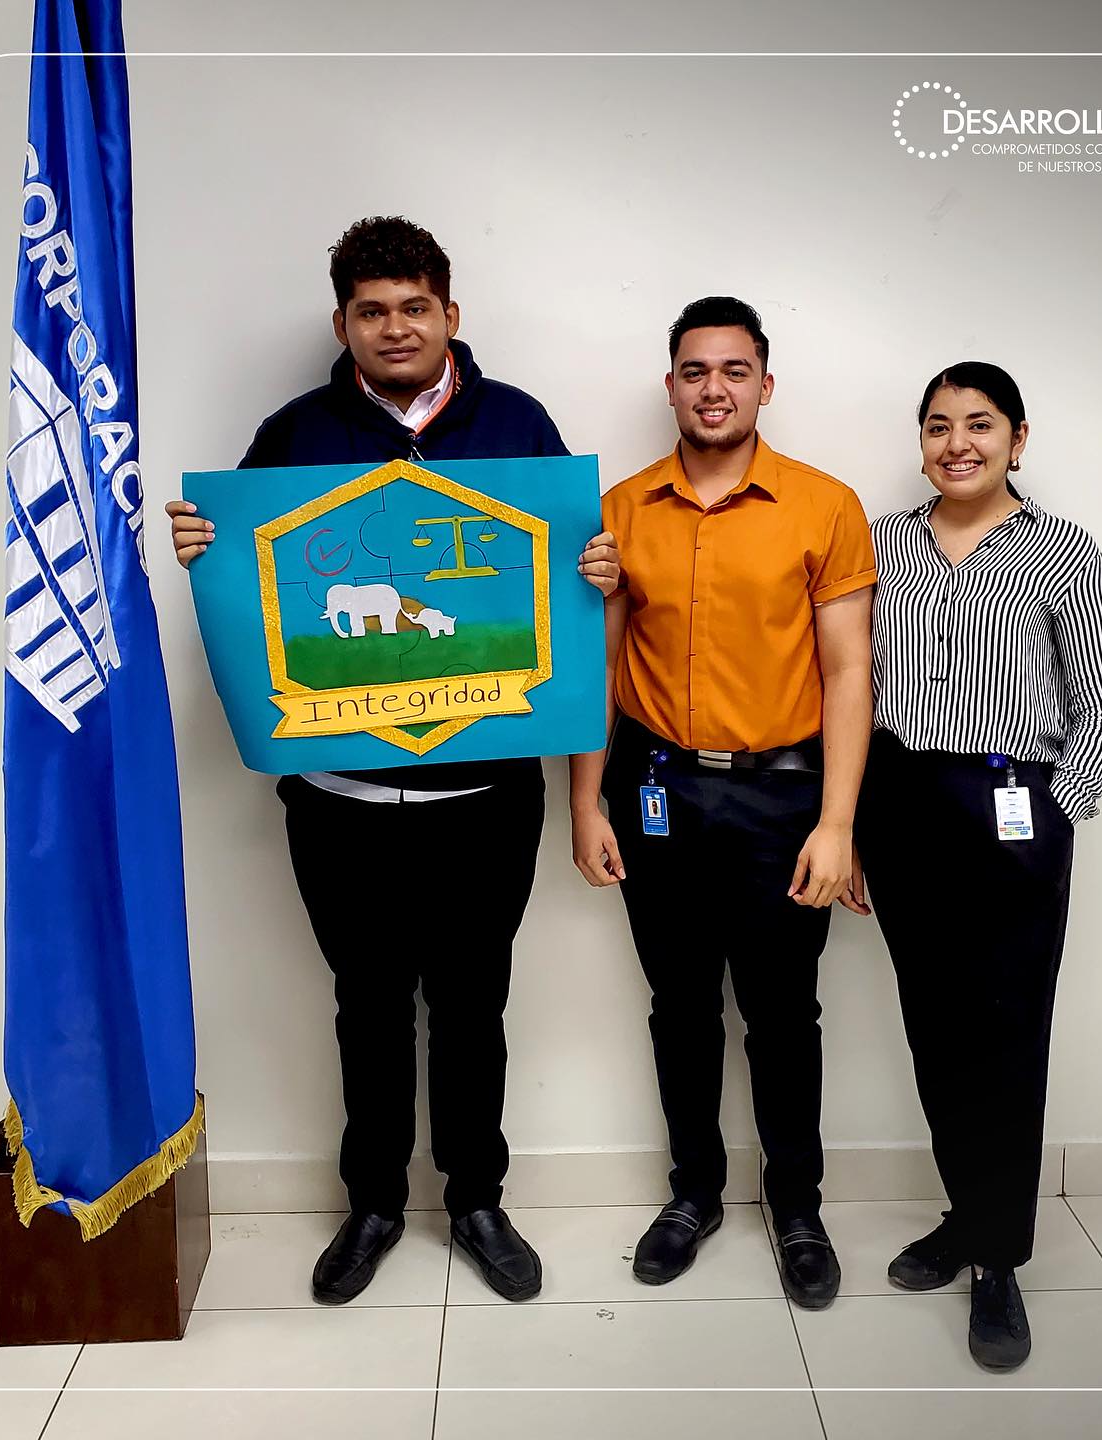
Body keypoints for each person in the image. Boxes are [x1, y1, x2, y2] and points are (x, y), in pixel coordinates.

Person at [166, 216, 618, 1304]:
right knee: (365, 1005)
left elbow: (563, 583)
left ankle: (476, 1200)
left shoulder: (518, 423)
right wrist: (203, 551)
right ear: (344, 325)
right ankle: (371, 1202)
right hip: (339, 800)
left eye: (415, 306)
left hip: (487, 795)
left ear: (450, 314)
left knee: (473, 1004)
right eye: (372, 311)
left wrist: (597, 569)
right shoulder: (291, 434)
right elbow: (252, 589)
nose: (396, 327)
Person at [569, 297, 876, 1310]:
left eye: (734, 370)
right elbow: (596, 665)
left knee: (784, 1014)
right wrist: (586, 803)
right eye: (695, 371)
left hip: (783, 800)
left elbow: (849, 670)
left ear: (765, 385)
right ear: (670, 385)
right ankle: (693, 1194)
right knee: (681, 1007)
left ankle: (797, 1208)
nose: (714, 388)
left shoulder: (824, 506)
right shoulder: (619, 510)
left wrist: (838, 823)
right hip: (655, 791)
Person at [853, 361, 1102, 1368]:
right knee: (937, 1031)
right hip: (902, 802)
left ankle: (998, 1258)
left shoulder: (1062, 551)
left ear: (1018, 438)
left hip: (1014, 807)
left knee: (1007, 1035)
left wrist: (1054, 815)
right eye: (938, 425)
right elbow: (849, 682)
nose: (956, 443)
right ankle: (967, 1215)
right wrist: (851, 823)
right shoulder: (881, 545)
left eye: (978, 424)